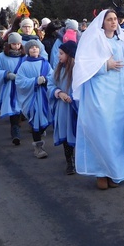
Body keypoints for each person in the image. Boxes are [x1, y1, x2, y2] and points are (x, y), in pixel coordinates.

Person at [72, 10, 124, 189]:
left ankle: (114, 173)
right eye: (109, 19)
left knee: (116, 134)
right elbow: (83, 63)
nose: (113, 22)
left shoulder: (121, 40)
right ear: (102, 22)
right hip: (99, 92)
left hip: (118, 93)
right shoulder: (93, 40)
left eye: (115, 19)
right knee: (101, 131)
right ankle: (101, 172)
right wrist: (104, 65)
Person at [16, 39, 53, 158]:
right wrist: (35, 81)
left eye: (36, 47)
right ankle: (38, 147)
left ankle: (41, 131)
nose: (34, 49)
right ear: (27, 51)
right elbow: (20, 81)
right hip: (31, 98)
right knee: (36, 118)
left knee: (46, 119)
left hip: (45, 97)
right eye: (31, 48)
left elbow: (52, 77)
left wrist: (46, 80)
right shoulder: (24, 65)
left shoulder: (45, 63)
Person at [48, 41, 78, 175]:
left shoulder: (79, 69)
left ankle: (80, 160)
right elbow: (50, 85)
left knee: (79, 133)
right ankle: (69, 162)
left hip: (77, 108)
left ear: (69, 55)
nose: (58, 56)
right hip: (63, 108)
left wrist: (75, 97)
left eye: (61, 53)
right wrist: (59, 93)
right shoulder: (58, 69)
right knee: (66, 134)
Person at [0, 32, 26, 146]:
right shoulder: (2, 56)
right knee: (14, 108)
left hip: (22, 86)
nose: (16, 46)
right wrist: (7, 74)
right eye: (14, 44)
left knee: (23, 107)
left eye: (18, 44)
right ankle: (15, 130)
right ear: (9, 44)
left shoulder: (25, 57)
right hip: (10, 87)